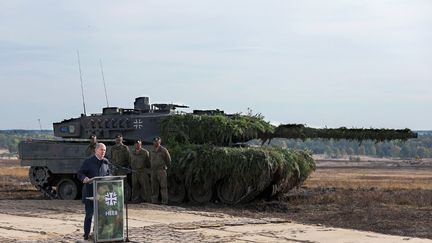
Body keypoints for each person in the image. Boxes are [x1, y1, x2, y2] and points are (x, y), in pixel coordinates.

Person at [77, 143, 111, 241]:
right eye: (101, 150)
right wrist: (85, 178)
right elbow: (80, 173)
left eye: (104, 150)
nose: (103, 152)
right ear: (96, 150)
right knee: (89, 215)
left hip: (102, 194)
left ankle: (96, 233)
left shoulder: (106, 162)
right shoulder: (88, 161)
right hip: (90, 193)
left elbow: (108, 174)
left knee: (100, 215)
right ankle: (86, 234)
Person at [150, 136, 171, 205]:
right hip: (153, 171)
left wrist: (166, 167)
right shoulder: (151, 150)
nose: (156, 142)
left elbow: (168, 160)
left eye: (157, 141)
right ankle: (154, 200)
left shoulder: (163, 150)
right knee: (154, 186)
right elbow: (149, 159)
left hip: (161, 170)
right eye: (154, 141)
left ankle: (164, 201)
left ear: (160, 141)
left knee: (163, 186)